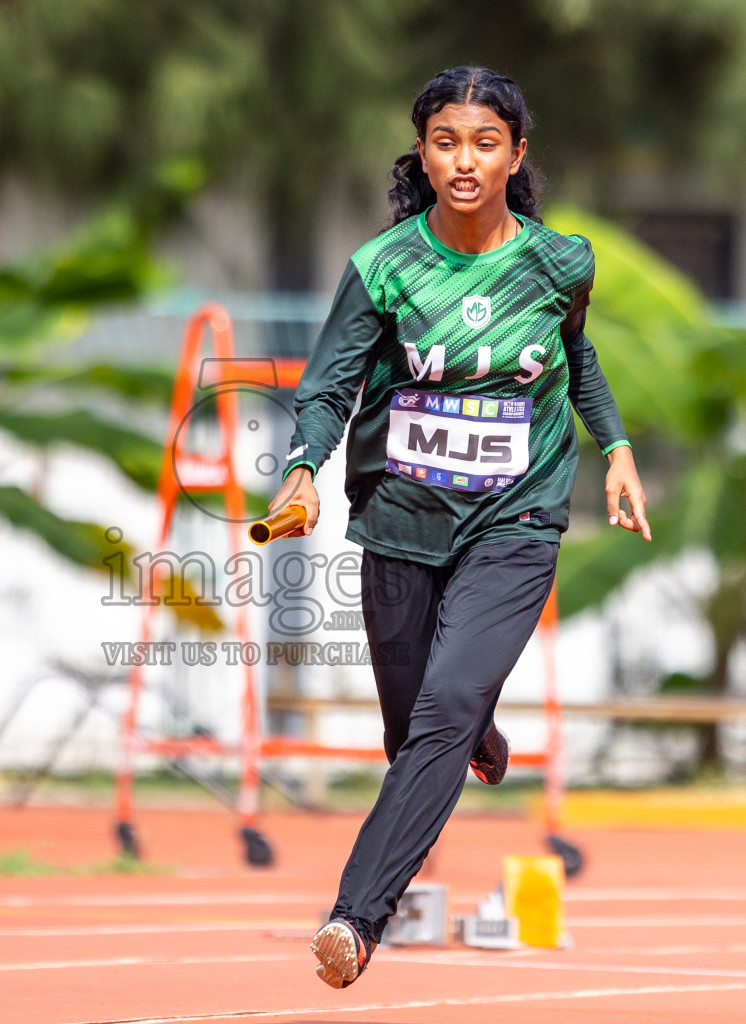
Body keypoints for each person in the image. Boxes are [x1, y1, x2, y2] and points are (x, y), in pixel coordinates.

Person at [268, 65, 650, 990]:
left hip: (515, 521)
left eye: (486, 143)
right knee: (420, 731)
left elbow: (576, 356)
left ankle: (355, 923)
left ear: (517, 154)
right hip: (398, 523)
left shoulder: (560, 263)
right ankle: (476, 729)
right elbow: (329, 387)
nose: (466, 161)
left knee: (440, 710)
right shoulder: (385, 267)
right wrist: (304, 469)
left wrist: (618, 448)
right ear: (423, 153)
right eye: (446, 142)